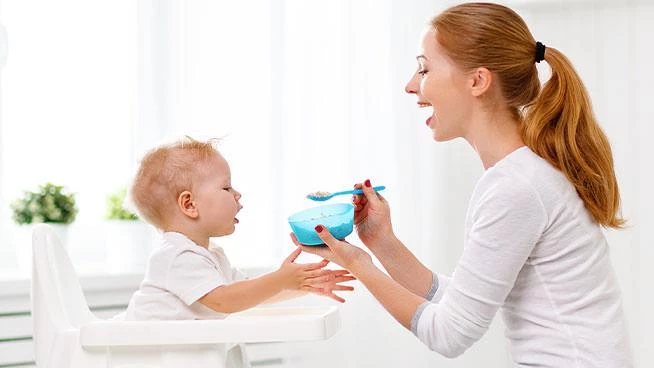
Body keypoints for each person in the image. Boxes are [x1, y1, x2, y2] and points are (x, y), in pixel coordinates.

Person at [294, 2, 632, 366]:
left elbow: (449, 334)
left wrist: (358, 263)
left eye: (424, 68)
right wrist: (382, 243)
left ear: (477, 81)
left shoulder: (515, 186)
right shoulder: (522, 175)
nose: (411, 85)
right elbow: (461, 303)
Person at [124, 137, 354, 365]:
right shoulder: (176, 256)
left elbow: (249, 295)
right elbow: (225, 301)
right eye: (226, 187)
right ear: (189, 205)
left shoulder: (209, 254)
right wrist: (280, 278)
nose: (237, 194)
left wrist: (302, 284)